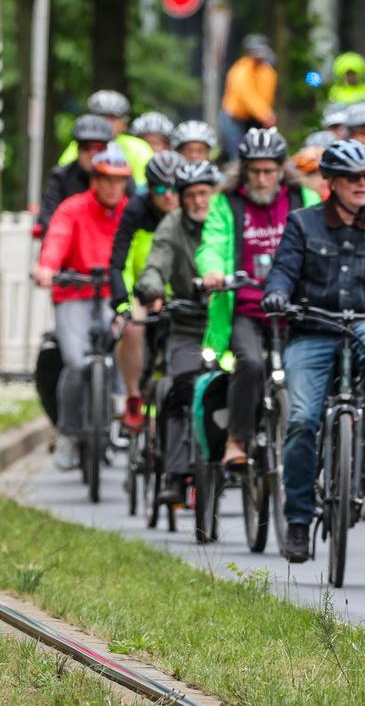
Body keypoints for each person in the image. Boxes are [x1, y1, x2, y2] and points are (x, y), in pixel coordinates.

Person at [261, 139, 365, 563]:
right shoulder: (302, 223)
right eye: (351, 178)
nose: (362, 184)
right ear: (330, 182)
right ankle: (298, 521)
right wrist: (276, 294)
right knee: (301, 420)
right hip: (313, 328)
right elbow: (283, 271)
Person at [198, 128, 320, 469]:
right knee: (250, 364)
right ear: (244, 171)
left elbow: (322, 239)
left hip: (294, 307)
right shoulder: (227, 202)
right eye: (255, 171)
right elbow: (212, 244)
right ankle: (237, 440)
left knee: (308, 368)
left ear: (282, 170)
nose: (262, 179)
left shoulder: (303, 199)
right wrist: (212, 272)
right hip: (246, 306)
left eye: (269, 171)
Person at [31, 146, 131, 470]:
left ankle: (119, 411)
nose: (113, 187)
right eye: (106, 179)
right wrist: (47, 267)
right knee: (76, 361)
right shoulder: (73, 208)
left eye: (119, 180)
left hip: (112, 295)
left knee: (127, 340)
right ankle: (69, 433)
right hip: (73, 293)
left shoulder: (130, 211)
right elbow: (57, 238)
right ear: (94, 180)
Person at [133, 160, 222, 504]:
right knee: (178, 389)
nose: (198, 201)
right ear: (181, 199)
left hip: (226, 323)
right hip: (187, 325)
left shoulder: (227, 219)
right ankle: (174, 474)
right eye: (191, 196)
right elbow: (157, 262)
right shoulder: (171, 225)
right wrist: (151, 286)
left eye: (204, 193)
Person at [109, 150, 184, 430]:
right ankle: (133, 397)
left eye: (174, 188)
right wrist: (123, 303)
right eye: (161, 189)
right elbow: (119, 262)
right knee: (132, 327)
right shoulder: (136, 210)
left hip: (179, 290)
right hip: (142, 288)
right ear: (149, 190)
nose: (169, 196)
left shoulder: (192, 209)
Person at [55, 90, 153, 187]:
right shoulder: (78, 146)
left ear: (124, 123)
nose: (107, 123)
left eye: (113, 118)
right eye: (101, 117)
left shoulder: (138, 148)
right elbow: (62, 178)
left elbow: (144, 186)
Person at [38, 115, 115, 235]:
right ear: (78, 149)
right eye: (86, 147)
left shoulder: (119, 176)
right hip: (71, 239)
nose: (92, 153)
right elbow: (47, 219)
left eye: (99, 148)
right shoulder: (61, 177)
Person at [220, 34, 277, 157]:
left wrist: (265, 114)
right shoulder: (240, 70)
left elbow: (266, 96)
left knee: (260, 151)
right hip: (234, 117)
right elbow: (246, 95)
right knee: (235, 152)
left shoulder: (267, 71)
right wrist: (264, 113)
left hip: (253, 119)